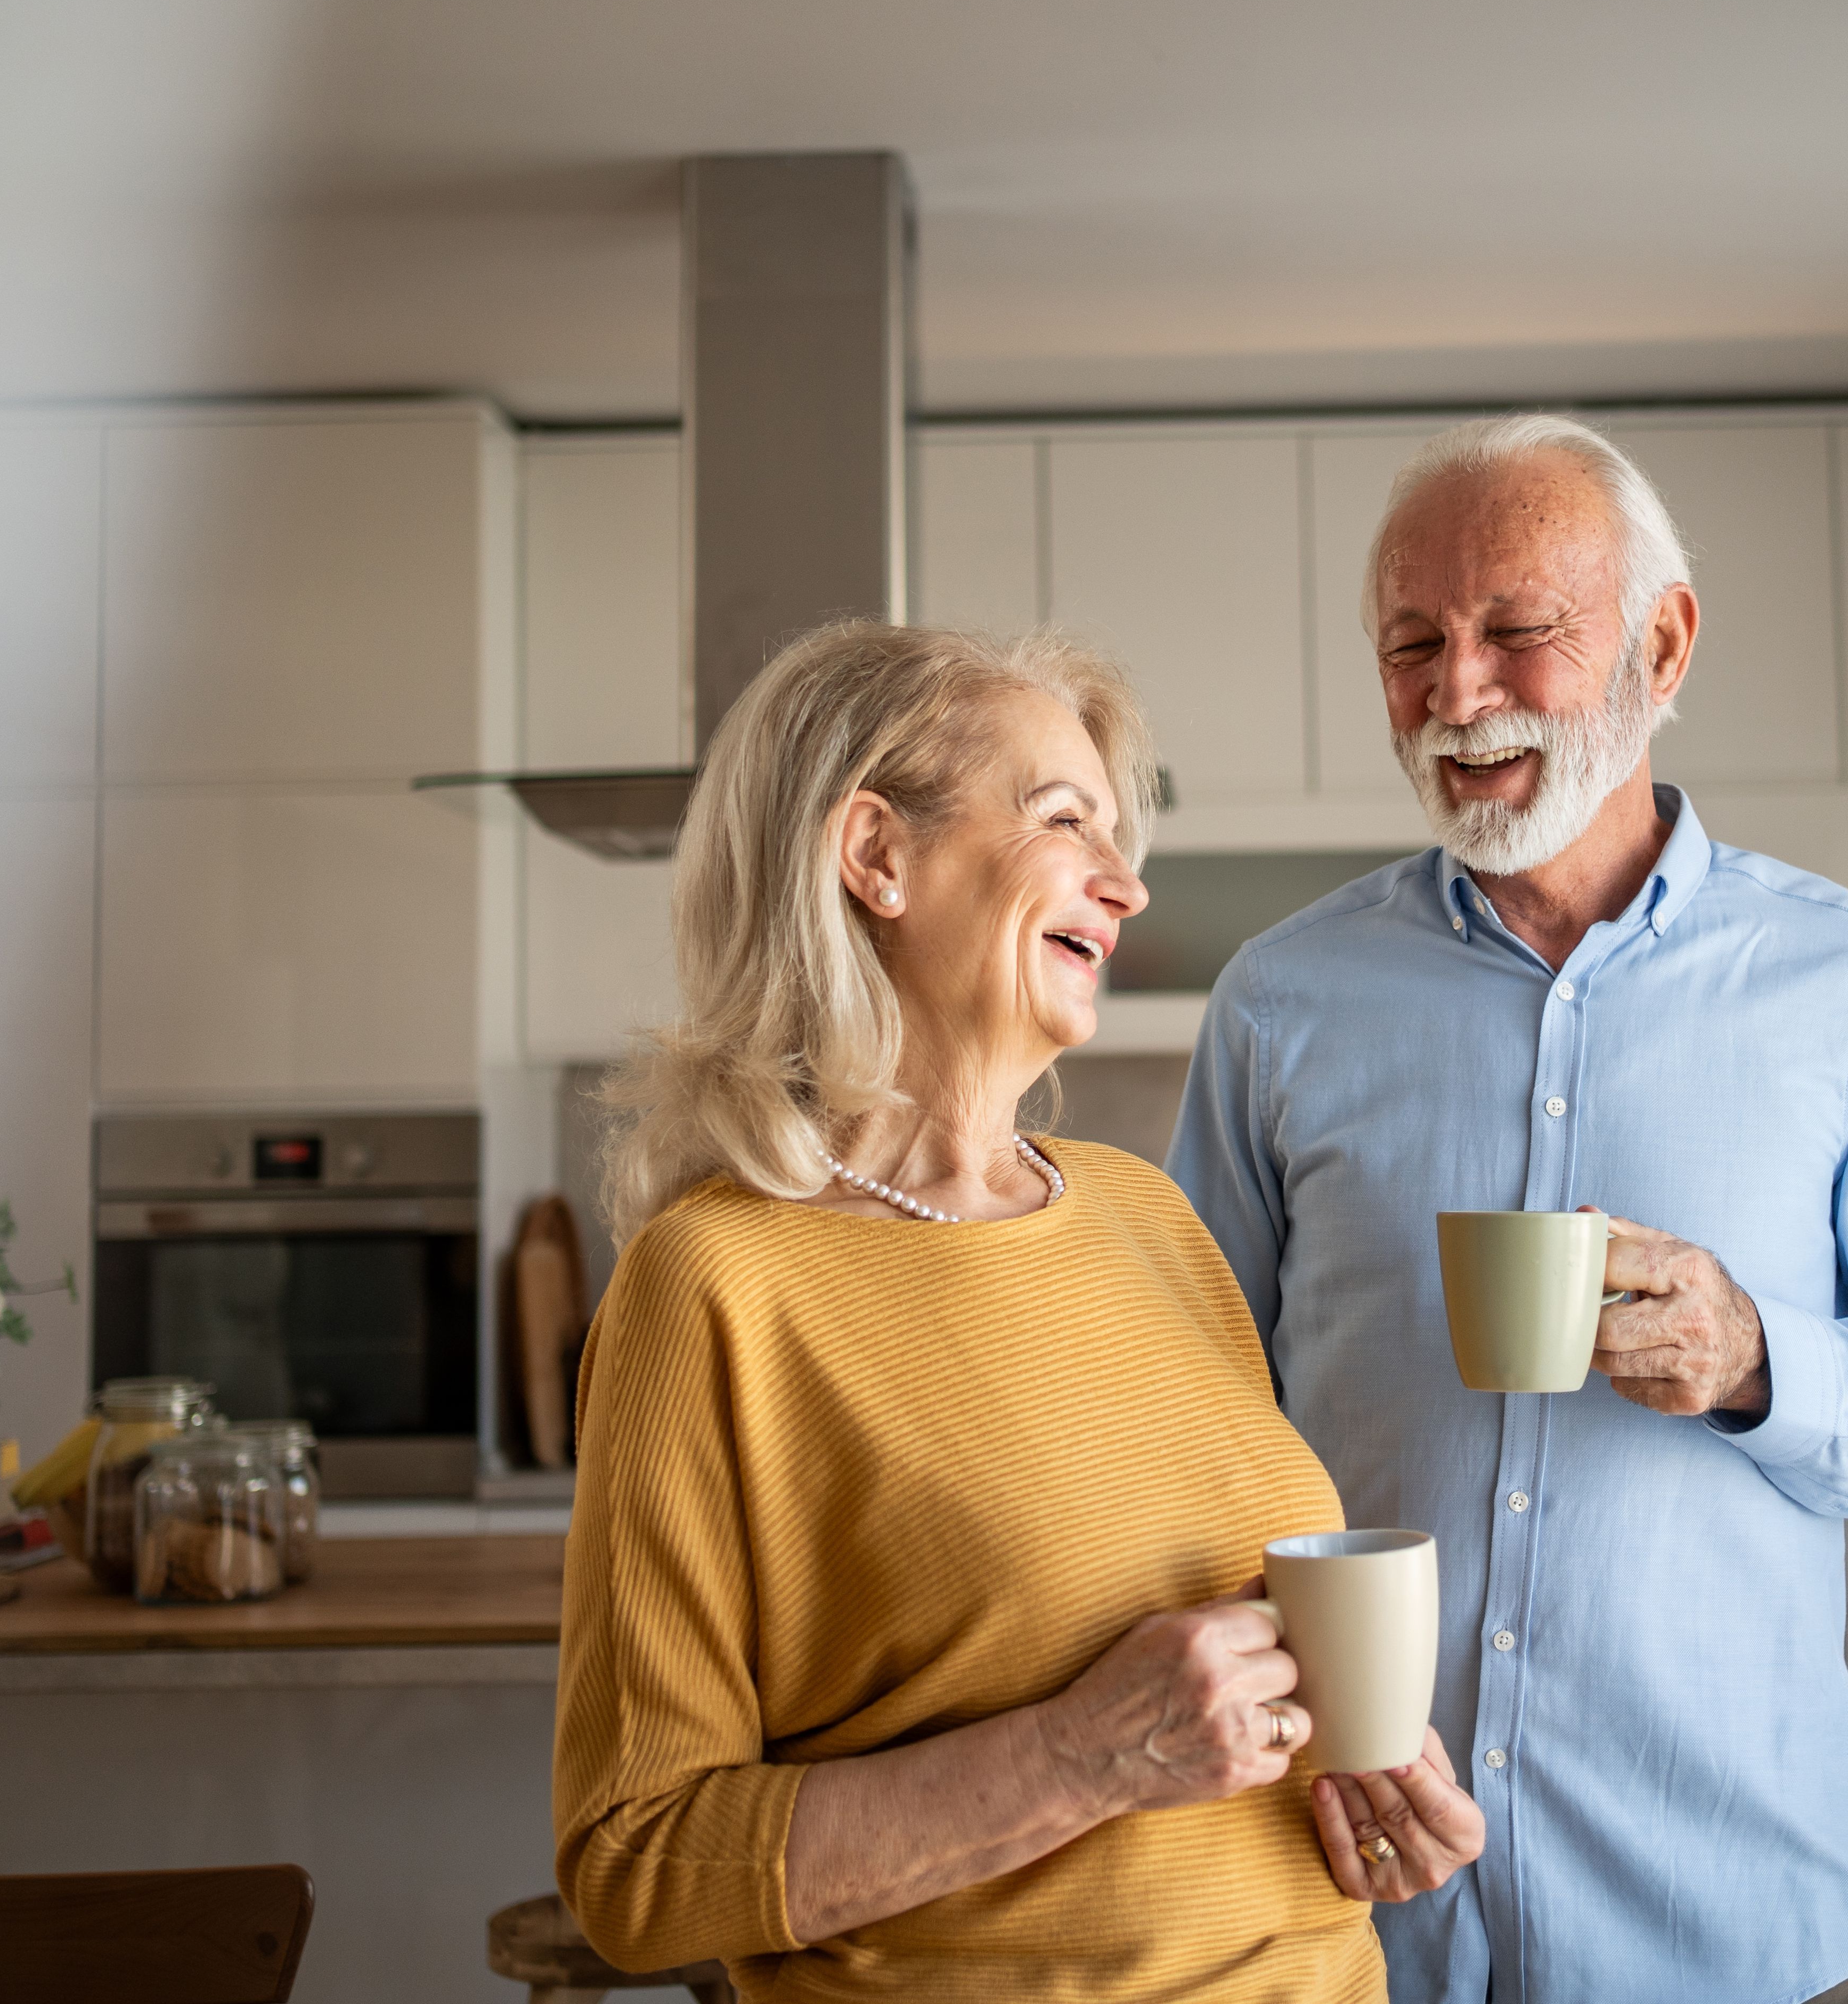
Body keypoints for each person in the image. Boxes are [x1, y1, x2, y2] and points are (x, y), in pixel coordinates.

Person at [1169, 415, 1848, 2004]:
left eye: (1518, 633)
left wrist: (1759, 1363)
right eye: (1411, 645)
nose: (1458, 694)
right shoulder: (1279, 1004)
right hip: (1340, 1926)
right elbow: (1178, 1437)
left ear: (1664, 641)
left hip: (1734, 1932)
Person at [555, 620, 1481, 2004]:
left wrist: (1342, 1795)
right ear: (877, 855)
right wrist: (1076, 1756)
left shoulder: (1144, 1215)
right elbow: (636, 1868)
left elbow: (1198, 1717)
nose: (1124, 888)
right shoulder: (712, 1289)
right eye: (1066, 822)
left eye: (1122, 841)